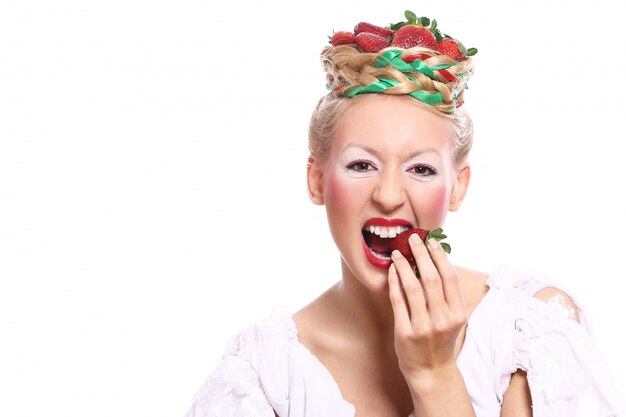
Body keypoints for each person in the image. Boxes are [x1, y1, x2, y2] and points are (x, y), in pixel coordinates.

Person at [184, 11, 625, 417]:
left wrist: (434, 375)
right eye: (361, 165)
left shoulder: (529, 332)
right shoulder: (263, 374)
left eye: (421, 168)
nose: (390, 195)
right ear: (317, 180)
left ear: (459, 187)